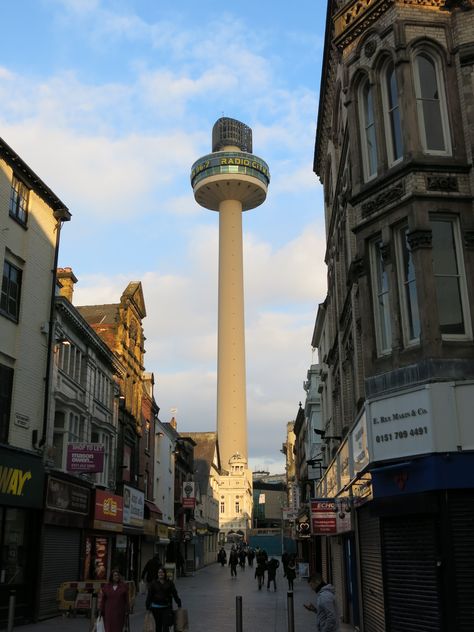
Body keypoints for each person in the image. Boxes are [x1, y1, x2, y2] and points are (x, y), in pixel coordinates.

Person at [146, 567, 182, 632]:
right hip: (155, 608)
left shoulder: (169, 583)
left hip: (166, 607)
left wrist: (178, 603)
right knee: (158, 626)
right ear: (157, 574)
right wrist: (147, 606)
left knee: (166, 626)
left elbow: (174, 594)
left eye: (162, 572)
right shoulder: (153, 583)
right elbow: (149, 596)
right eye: (159, 572)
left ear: (165, 573)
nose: (160, 574)